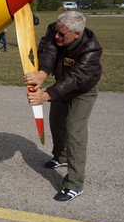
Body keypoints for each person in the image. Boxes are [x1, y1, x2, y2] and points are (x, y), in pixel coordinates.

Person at [24, 11, 102, 202]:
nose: (57, 36)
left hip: (82, 90)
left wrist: (47, 95)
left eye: (62, 35)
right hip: (61, 84)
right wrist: (43, 72)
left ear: (77, 34)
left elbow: (75, 79)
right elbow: (49, 49)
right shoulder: (55, 30)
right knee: (56, 121)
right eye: (57, 32)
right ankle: (61, 157)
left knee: (74, 132)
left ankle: (74, 185)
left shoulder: (91, 50)